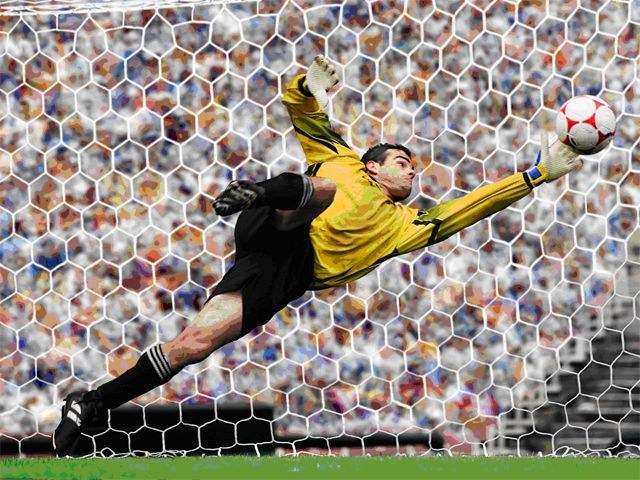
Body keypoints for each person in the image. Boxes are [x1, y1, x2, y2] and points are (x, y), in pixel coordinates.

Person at [52, 56, 581, 456]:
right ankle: (254, 191)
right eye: (402, 161)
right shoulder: (343, 160)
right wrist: (308, 86)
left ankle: (93, 403)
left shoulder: (405, 225)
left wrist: (535, 175)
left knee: (194, 344)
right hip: (274, 216)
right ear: (374, 166)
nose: (411, 170)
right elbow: (300, 108)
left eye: (414, 166)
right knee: (324, 188)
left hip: (284, 269)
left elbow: (471, 206)